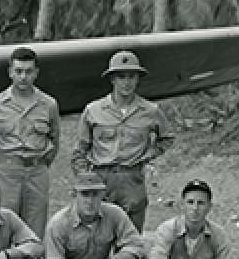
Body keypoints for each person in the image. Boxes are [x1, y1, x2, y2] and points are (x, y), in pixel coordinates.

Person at [72, 50, 171, 231]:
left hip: (132, 179)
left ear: (138, 79)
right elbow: (80, 149)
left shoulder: (151, 111)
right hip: (101, 178)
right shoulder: (93, 110)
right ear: (112, 80)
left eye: (132, 77)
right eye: (121, 77)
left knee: (131, 236)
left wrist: (148, 155)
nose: (127, 82)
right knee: (96, 234)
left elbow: (167, 138)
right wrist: (84, 180)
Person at [0, 46, 60, 234]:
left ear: (36, 73)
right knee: (2, 224)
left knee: (34, 227)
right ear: (10, 73)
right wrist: (2, 163)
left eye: (28, 71)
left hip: (37, 171)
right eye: (18, 71)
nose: (23, 77)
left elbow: (54, 141)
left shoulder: (48, 104)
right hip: (5, 171)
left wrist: (39, 162)